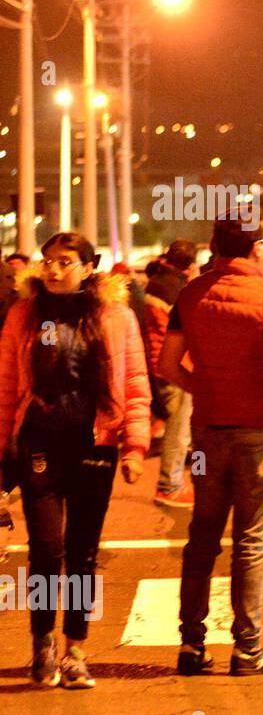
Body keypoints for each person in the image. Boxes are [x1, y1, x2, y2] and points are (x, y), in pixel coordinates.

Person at [0, 232, 149, 688]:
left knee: (83, 553)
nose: (53, 269)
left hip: (94, 446)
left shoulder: (117, 316)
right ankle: (41, 643)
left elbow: (136, 379)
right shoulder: (24, 314)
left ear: (89, 266)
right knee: (46, 549)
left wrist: (135, 444)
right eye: (48, 261)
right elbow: (6, 385)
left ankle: (75, 651)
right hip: (40, 444)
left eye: (65, 261)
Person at [159, 214, 263, 676]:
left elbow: (167, 364)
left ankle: (191, 645)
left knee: (202, 537)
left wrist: (206, 388)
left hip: (207, 431)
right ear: (256, 248)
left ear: (215, 247)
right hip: (260, 431)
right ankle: (248, 650)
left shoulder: (190, 294)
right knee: (251, 544)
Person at [143, 239, 198, 507]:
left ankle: (173, 482)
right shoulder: (174, 288)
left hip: (158, 362)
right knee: (178, 430)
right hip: (172, 365)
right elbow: (189, 323)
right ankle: (169, 485)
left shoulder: (157, 281)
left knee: (178, 427)